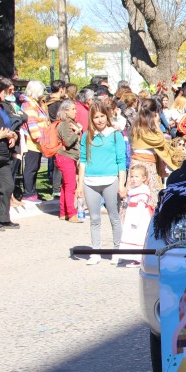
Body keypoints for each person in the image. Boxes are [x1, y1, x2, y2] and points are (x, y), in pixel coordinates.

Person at [76, 103, 127, 265]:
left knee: (114, 217)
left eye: (102, 116)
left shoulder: (115, 135)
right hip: (90, 181)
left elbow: (121, 161)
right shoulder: (86, 136)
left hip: (111, 180)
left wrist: (122, 184)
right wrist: (79, 184)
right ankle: (96, 251)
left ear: (107, 116)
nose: (99, 120)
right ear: (91, 119)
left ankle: (117, 250)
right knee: (94, 218)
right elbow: (82, 160)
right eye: (96, 117)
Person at [129, 98, 179, 208]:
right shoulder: (140, 127)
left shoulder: (141, 126)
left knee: (148, 199)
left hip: (148, 164)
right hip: (143, 166)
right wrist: (156, 124)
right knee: (144, 199)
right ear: (153, 112)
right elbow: (160, 141)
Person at [20, 80, 50, 202]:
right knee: (31, 168)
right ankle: (28, 193)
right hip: (32, 142)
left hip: (38, 142)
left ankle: (33, 192)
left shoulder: (36, 103)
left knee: (35, 167)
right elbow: (32, 124)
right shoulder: (29, 105)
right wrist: (39, 139)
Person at [0, 82, 19, 230]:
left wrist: (12, 135)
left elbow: (7, 129)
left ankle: (4, 218)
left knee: (7, 187)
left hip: (4, 155)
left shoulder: (0, 113)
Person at [118, 163, 153, 267]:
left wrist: (136, 219)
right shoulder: (133, 190)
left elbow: (141, 205)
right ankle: (133, 256)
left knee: (139, 236)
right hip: (132, 214)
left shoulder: (143, 189)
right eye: (132, 176)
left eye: (136, 177)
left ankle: (139, 258)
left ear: (144, 178)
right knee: (131, 235)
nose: (133, 179)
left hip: (139, 216)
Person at [54, 100, 83, 221]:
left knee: (65, 186)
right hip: (66, 156)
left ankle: (63, 212)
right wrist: (77, 132)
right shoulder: (65, 124)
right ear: (65, 111)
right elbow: (68, 141)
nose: (75, 112)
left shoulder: (70, 123)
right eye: (72, 109)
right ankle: (71, 213)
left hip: (68, 157)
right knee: (71, 185)